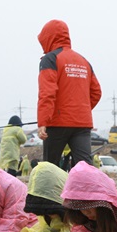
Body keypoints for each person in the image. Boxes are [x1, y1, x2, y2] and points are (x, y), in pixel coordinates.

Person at [36, 20, 101, 168]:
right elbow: (96, 92)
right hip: (82, 122)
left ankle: (51, 191)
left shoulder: (50, 59)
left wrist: (43, 121)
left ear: (48, 37)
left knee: (49, 168)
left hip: (57, 122)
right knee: (85, 168)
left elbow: (47, 93)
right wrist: (80, 109)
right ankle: (88, 191)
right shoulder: (83, 61)